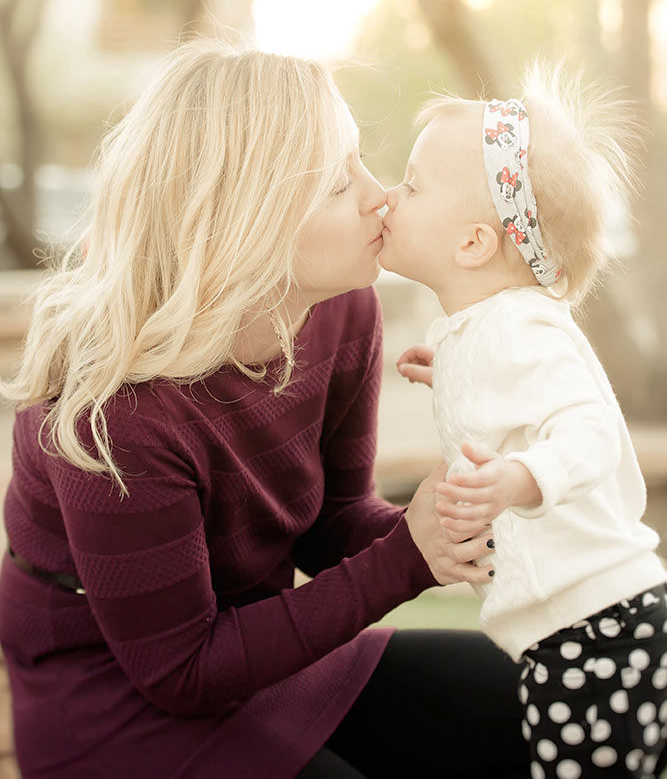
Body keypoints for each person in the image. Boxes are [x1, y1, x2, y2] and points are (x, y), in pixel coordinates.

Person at [0, 40, 530, 779]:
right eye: (339, 184)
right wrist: (408, 559)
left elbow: (333, 521)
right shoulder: (109, 414)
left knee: (555, 700)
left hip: (267, 650)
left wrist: (480, 524)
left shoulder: (341, 308)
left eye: (360, 160)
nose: (378, 195)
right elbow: (180, 672)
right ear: (246, 222)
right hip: (116, 699)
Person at [379, 64, 667, 779]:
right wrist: (448, 371)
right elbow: (511, 397)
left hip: (597, 631)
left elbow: (592, 431)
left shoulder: (519, 332)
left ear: (473, 244)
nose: (389, 196)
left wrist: (521, 476)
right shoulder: (487, 331)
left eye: (410, 186)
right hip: (584, 630)